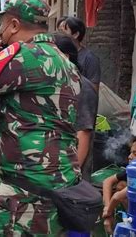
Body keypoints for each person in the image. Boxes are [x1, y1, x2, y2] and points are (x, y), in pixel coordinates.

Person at [0, 0, 81, 236]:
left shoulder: (20, 56)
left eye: (3, 23)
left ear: (14, 25)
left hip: (25, 192)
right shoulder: (67, 64)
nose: (1, 31)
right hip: (59, 184)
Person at [53, 33, 98, 181]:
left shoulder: (82, 87)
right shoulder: (57, 83)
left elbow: (83, 133)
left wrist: (71, 175)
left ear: (65, 57)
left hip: (68, 173)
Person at [57, 16, 101, 90]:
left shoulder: (90, 59)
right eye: (59, 31)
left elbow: (93, 90)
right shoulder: (56, 53)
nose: (60, 35)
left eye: (64, 31)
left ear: (76, 34)